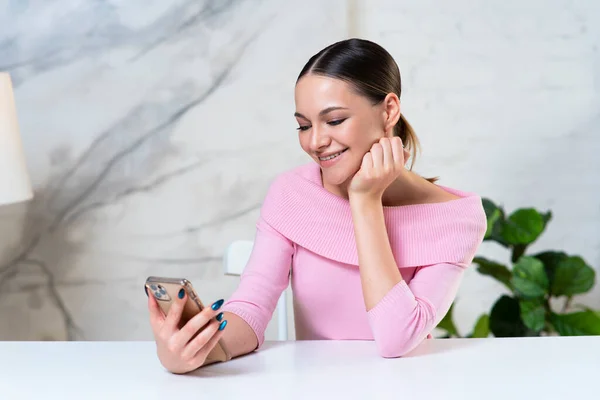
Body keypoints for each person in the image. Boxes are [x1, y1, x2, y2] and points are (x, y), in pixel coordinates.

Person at [147, 38, 487, 374]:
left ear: (389, 110)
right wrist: (204, 350)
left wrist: (365, 200)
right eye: (304, 125)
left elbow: (396, 339)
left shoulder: (456, 218)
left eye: (335, 120)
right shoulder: (292, 194)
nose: (315, 142)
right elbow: (252, 307)